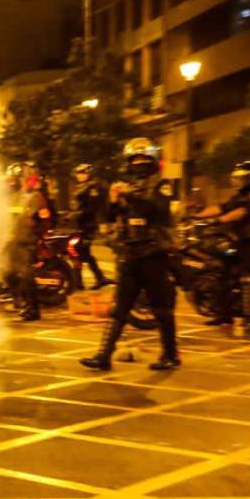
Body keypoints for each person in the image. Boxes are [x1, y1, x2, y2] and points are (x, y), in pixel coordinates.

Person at [81, 138, 180, 371]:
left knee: (160, 307)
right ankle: (103, 355)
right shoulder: (126, 185)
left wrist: (130, 196)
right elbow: (109, 216)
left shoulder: (161, 185)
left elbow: (157, 209)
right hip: (129, 252)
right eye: (135, 159)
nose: (140, 163)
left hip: (154, 253)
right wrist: (114, 200)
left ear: (153, 161)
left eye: (144, 159)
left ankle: (170, 354)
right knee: (120, 307)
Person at [192, 161, 250, 331]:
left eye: (240, 179)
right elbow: (222, 207)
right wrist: (197, 216)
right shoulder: (240, 196)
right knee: (222, 271)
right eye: (236, 179)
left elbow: (240, 213)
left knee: (247, 276)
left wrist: (217, 221)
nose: (236, 182)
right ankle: (224, 315)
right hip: (241, 240)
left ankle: (249, 319)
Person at [6, 163, 53, 321]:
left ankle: (33, 309)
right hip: (13, 240)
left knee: (26, 275)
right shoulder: (16, 196)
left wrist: (39, 237)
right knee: (9, 273)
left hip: (27, 241)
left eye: (17, 178)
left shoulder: (36, 197)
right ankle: (19, 300)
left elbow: (46, 220)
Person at [71, 162, 113, 290]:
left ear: (89, 174)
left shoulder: (92, 187)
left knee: (78, 253)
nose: (80, 176)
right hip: (77, 225)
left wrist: (78, 214)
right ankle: (97, 278)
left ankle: (80, 283)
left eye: (83, 173)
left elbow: (92, 207)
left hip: (86, 225)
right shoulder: (79, 187)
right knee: (79, 253)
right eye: (78, 173)